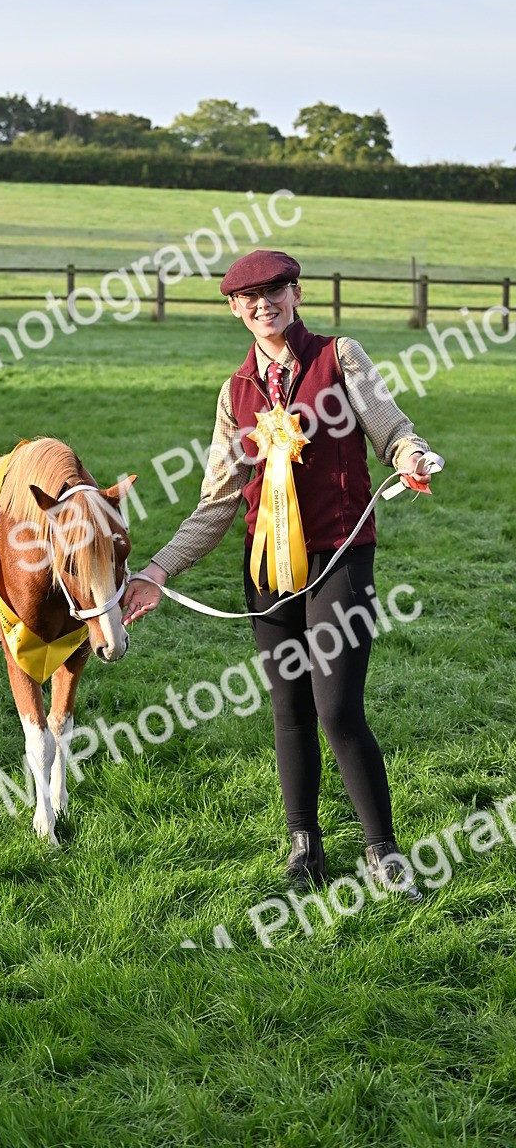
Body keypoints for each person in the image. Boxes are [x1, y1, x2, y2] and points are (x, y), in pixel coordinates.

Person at [123, 249, 436, 901]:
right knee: (288, 708)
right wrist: (155, 571)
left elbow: (392, 430)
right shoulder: (234, 394)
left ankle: (383, 852)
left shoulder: (339, 356)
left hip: (339, 554)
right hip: (267, 568)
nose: (262, 304)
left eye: (274, 291)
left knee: (337, 708)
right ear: (234, 309)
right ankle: (305, 849)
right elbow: (215, 502)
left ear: (295, 294)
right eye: (247, 297)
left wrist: (415, 457)